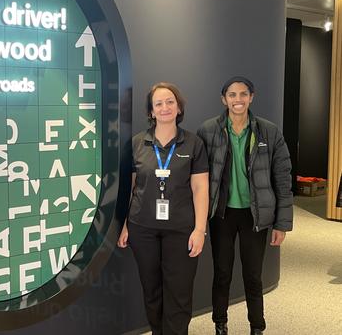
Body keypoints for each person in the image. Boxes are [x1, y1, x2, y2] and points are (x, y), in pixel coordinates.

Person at [197, 76, 293, 335]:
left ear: (251, 97)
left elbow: (283, 179)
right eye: (232, 95)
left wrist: (282, 223)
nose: (237, 100)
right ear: (223, 99)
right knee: (222, 273)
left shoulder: (268, 131)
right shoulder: (208, 130)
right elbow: (197, 177)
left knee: (253, 276)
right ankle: (220, 324)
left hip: (255, 216)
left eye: (243, 94)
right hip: (222, 215)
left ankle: (257, 327)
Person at [118, 82, 209, 335]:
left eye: (170, 102)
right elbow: (131, 187)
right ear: (151, 111)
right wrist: (125, 224)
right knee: (152, 291)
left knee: (178, 293)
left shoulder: (193, 143)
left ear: (179, 107)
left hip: (181, 230)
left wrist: (200, 229)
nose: (165, 107)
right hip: (142, 228)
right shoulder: (137, 143)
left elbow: (200, 189)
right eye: (158, 103)